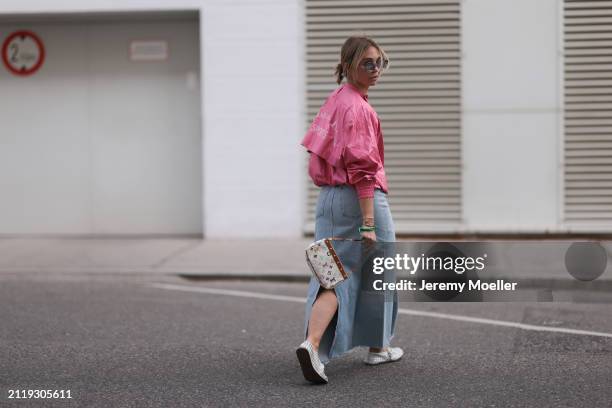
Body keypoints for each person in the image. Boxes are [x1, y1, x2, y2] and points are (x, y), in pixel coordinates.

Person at [296, 36, 402, 385]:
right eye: (367, 63)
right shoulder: (358, 108)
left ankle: (312, 346)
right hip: (358, 201)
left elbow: (318, 151)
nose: (376, 70)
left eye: (380, 63)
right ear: (348, 65)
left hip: (329, 199)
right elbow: (362, 168)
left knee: (331, 273)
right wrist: (368, 223)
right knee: (379, 270)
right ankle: (377, 348)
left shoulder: (336, 101)